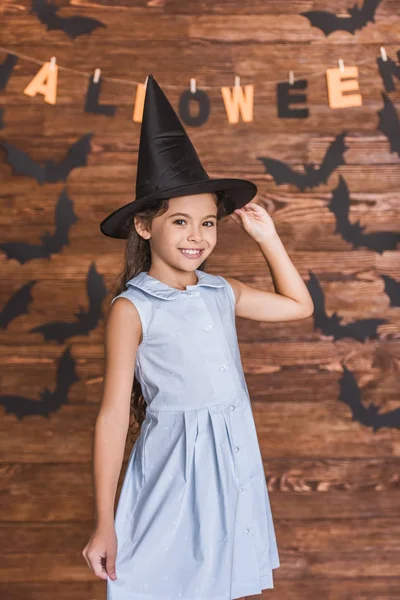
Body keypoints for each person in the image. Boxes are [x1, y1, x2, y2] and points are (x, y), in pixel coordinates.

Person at [82, 75, 314, 599]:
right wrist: (105, 521)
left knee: (220, 584)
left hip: (229, 463)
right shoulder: (133, 308)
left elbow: (300, 307)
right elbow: (113, 415)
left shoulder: (219, 291)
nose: (196, 237)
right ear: (144, 227)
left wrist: (269, 239)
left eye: (208, 223)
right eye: (181, 221)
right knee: (164, 583)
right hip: (173, 471)